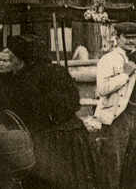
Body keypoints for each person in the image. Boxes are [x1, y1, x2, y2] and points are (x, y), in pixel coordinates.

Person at [0, 35, 96, 189]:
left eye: (11, 59)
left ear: (21, 59)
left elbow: (21, 111)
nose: (7, 63)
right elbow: (74, 101)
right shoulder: (57, 70)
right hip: (74, 136)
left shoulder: (26, 79)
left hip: (49, 140)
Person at [94, 21, 136, 189]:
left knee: (135, 163)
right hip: (117, 117)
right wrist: (124, 74)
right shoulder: (108, 59)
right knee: (113, 164)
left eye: (134, 38)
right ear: (117, 38)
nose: (131, 42)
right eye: (127, 38)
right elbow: (101, 89)